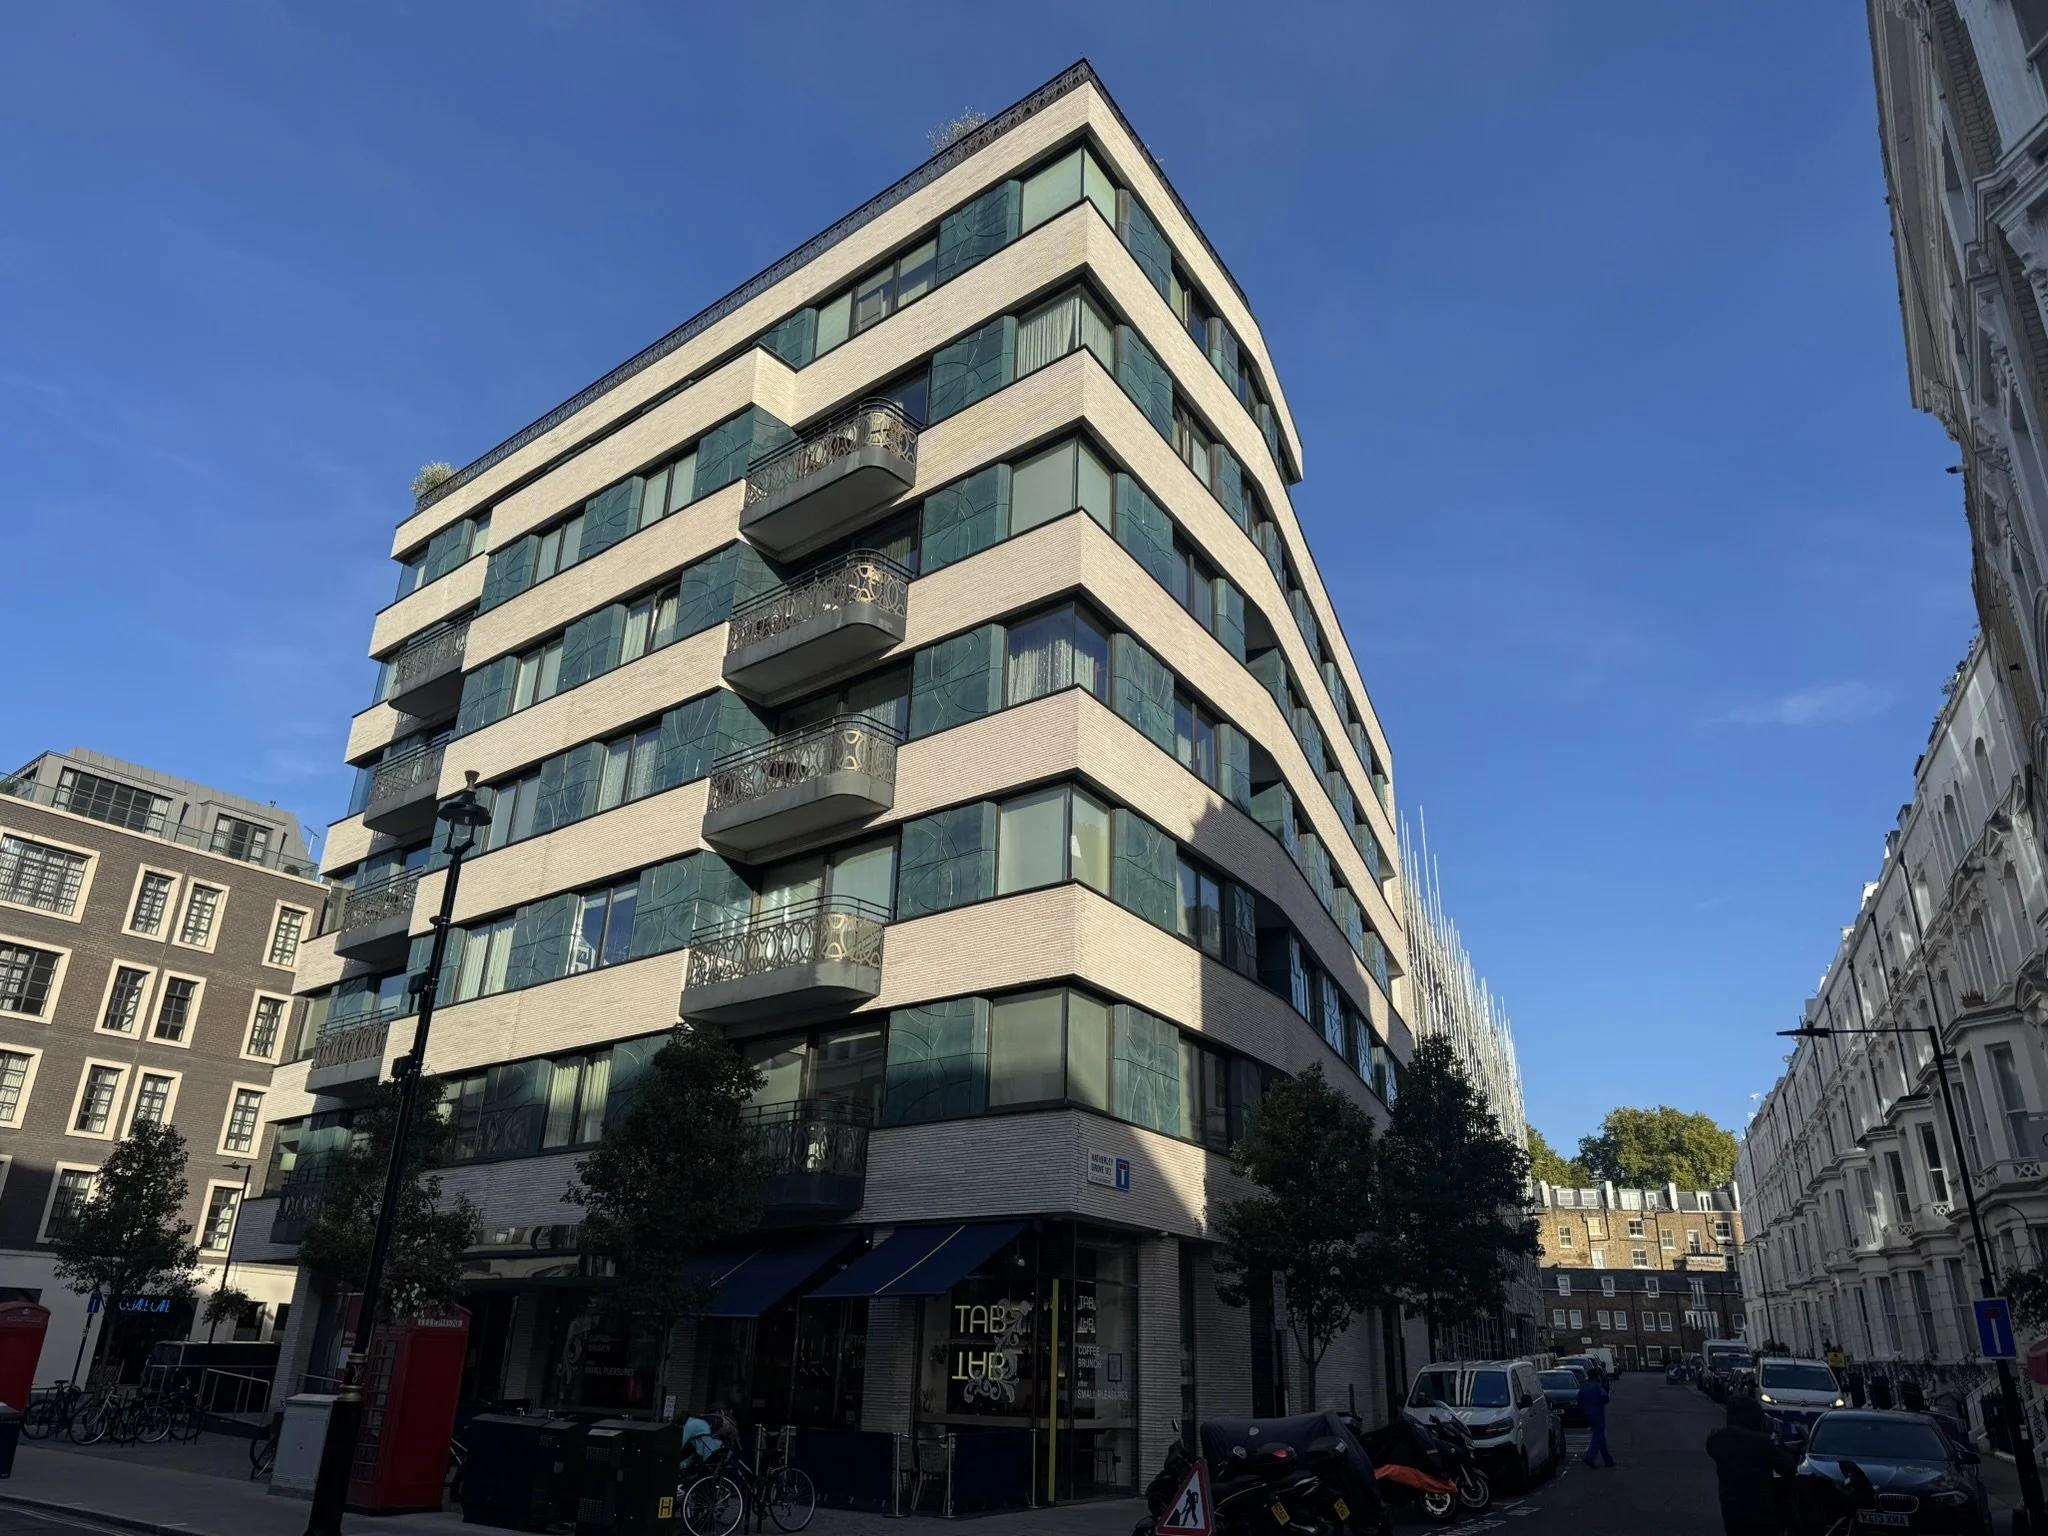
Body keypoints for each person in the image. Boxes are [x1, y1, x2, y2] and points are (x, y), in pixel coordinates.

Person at [1705, 1395, 1797, 1536]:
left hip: (1731, 1508)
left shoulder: (1717, 1439)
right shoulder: (1761, 1442)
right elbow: (1788, 1468)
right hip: (1761, 1512)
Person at [1578, 1370, 1615, 1468]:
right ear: (1597, 1377)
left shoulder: (1583, 1386)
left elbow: (1579, 1399)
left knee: (1599, 1435)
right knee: (1598, 1436)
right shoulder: (1597, 1386)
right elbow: (1605, 1397)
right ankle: (1589, 1457)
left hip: (1587, 1414)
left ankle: (1607, 1459)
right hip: (1597, 1413)